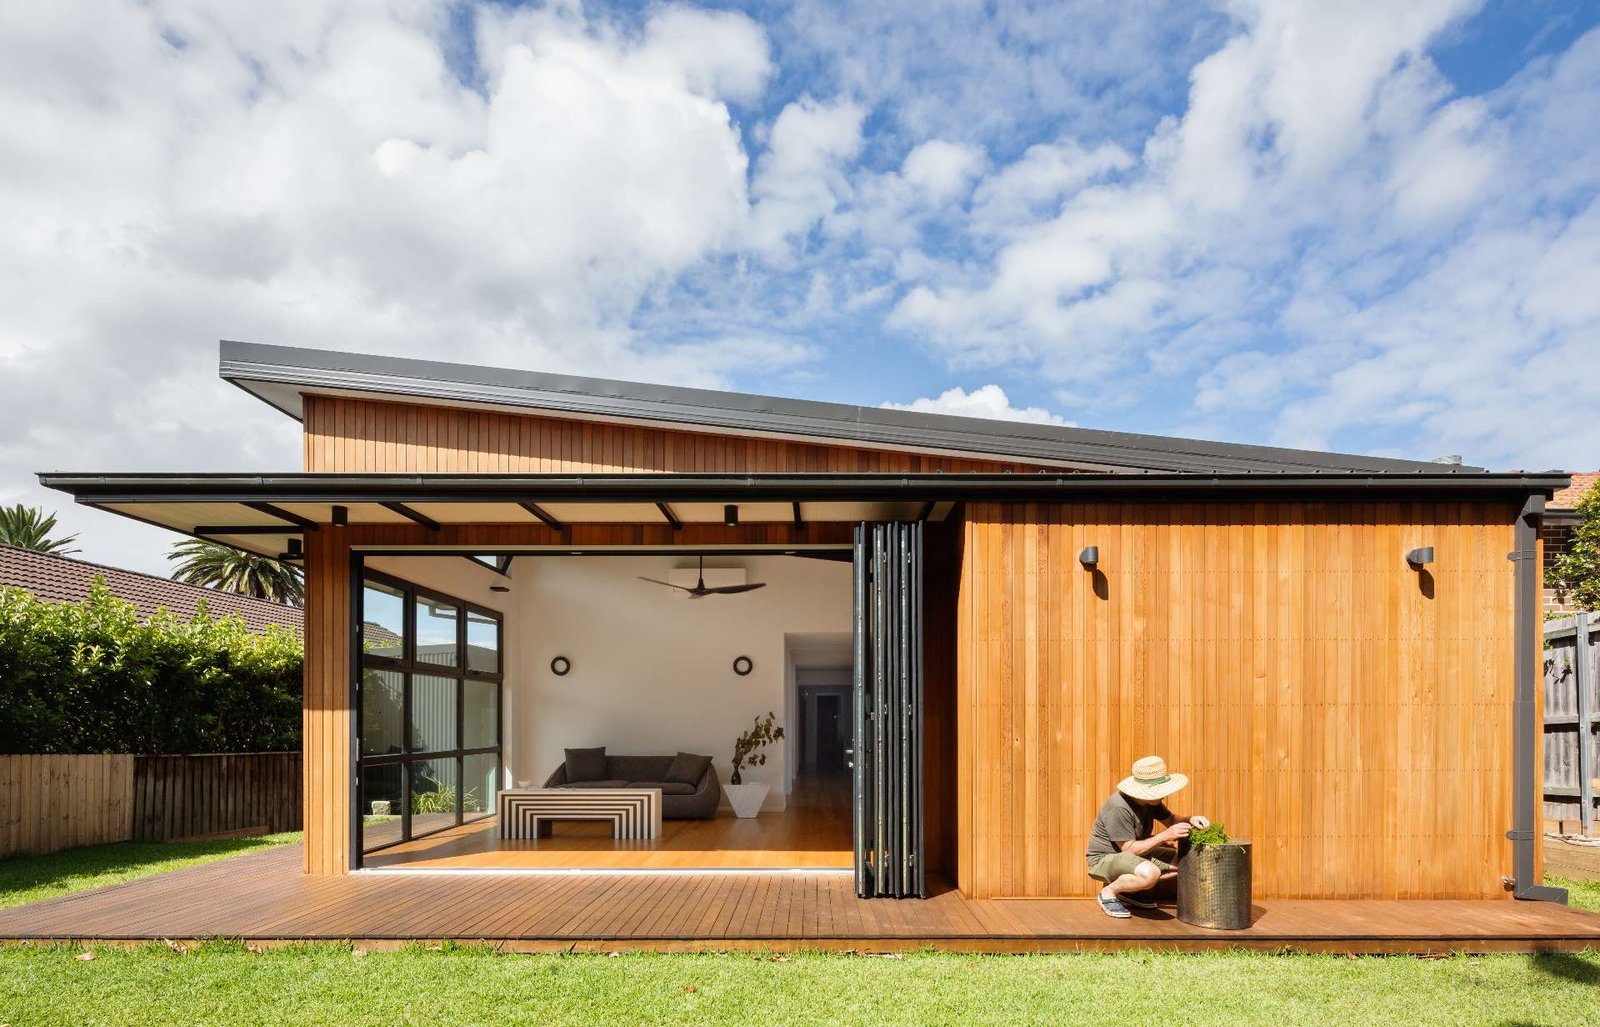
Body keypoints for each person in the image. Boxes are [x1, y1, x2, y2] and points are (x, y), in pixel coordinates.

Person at [1087, 755, 1211, 918]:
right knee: (1150, 873)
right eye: (1160, 791)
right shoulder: (1118, 808)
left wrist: (1190, 819)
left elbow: (1171, 820)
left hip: (1133, 855)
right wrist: (1165, 836)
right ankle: (1109, 892)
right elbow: (1129, 850)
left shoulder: (1149, 801)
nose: (1164, 795)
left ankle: (1128, 891)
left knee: (1187, 862)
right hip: (1105, 859)